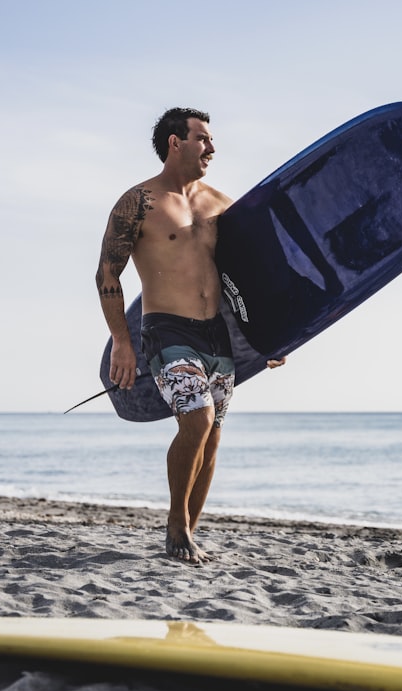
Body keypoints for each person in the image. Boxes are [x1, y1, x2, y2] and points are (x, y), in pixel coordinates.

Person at [95, 107, 283, 564]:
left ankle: (189, 535)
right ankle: (176, 525)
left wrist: (273, 337)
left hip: (217, 334)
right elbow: (107, 274)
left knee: (213, 435)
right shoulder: (138, 203)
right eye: (203, 139)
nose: (212, 148)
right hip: (165, 329)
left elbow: (254, 275)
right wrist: (122, 341)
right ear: (175, 143)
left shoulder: (220, 203)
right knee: (196, 420)